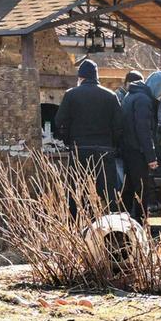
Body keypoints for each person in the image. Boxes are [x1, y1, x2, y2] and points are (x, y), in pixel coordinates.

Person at [51, 58, 125, 208]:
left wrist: (68, 141)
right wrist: (112, 144)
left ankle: (75, 226)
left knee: (76, 193)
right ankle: (111, 226)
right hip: (104, 151)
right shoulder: (111, 96)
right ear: (96, 77)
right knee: (108, 194)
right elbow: (119, 126)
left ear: (81, 77)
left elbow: (59, 122)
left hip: (80, 150)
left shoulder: (71, 94)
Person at [118, 68, 161, 218]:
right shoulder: (143, 100)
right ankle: (141, 224)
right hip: (138, 152)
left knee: (128, 189)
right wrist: (151, 157)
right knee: (141, 190)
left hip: (128, 150)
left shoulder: (131, 95)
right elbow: (144, 130)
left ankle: (124, 221)